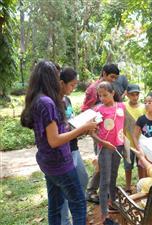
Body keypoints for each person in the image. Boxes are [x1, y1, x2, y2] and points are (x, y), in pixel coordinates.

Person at [20, 60, 98, 225]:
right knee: (78, 203)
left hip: (48, 162)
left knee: (55, 206)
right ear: (49, 78)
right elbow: (54, 140)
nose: (58, 80)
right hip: (60, 163)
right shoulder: (47, 103)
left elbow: (52, 133)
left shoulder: (38, 99)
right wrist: (82, 127)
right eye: (56, 76)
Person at [83, 64, 120, 204]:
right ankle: (91, 190)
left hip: (113, 134)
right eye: (111, 77)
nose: (113, 80)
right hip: (99, 133)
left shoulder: (111, 87)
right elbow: (85, 108)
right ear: (104, 74)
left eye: (115, 78)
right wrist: (98, 112)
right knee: (101, 162)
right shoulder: (93, 89)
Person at [59, 67, 89, 225]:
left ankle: (73, 211)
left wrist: (81, 125)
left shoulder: (67, 100)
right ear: (62, 83)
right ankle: (65, 220)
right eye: (72, 85)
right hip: (64, 150)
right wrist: (80, 128)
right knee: (64, 189)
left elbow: (70, 119)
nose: (74, 88)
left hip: (74, 146)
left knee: (83, 179)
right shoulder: (54, 103)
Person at [94, 81, 125, 225]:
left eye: (105, 95)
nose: (102, 98)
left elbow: (126, 126)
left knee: (113, 176)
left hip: (118, 146)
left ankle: (113, 202)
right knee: (104, 180)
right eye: (100, 95)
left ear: (113, 93)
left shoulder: (121, 107)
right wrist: (102, 142)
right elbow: (91, 131)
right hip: (105, 148)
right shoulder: (98, 110)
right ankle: (104, 214)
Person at [124, 84, 145, 193]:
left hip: (140, 142)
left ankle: (141, 186)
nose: (135, 97)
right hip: (127, 142)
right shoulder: (123, 107)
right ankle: (128, 187)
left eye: (137, 94)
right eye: (132, 94)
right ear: (127, 95)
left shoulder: (143, 108)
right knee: (128, 166)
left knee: (141, 165)